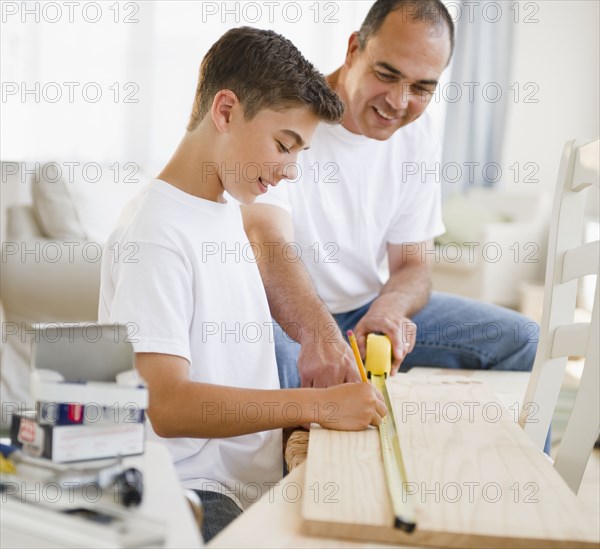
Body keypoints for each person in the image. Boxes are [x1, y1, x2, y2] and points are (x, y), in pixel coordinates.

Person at [98, 27, 387, 542]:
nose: (292, 171)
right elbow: (164, 404)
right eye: (285, 145)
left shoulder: (225, 211)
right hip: (193, 493)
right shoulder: (156, 232)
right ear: (226, 111)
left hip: (242, 484)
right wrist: (318, 406)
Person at [242, 0, 539, 390]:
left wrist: (390, 307)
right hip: (281, 316)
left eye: (421, 88)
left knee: (523, 341)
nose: (398, 103)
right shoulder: (288, 112)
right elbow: (268, 241)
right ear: (353, 50)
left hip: (362, 313)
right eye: (387, 74)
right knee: (280, 370)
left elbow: (413, 263)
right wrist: (322, 336)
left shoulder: (419, 134)